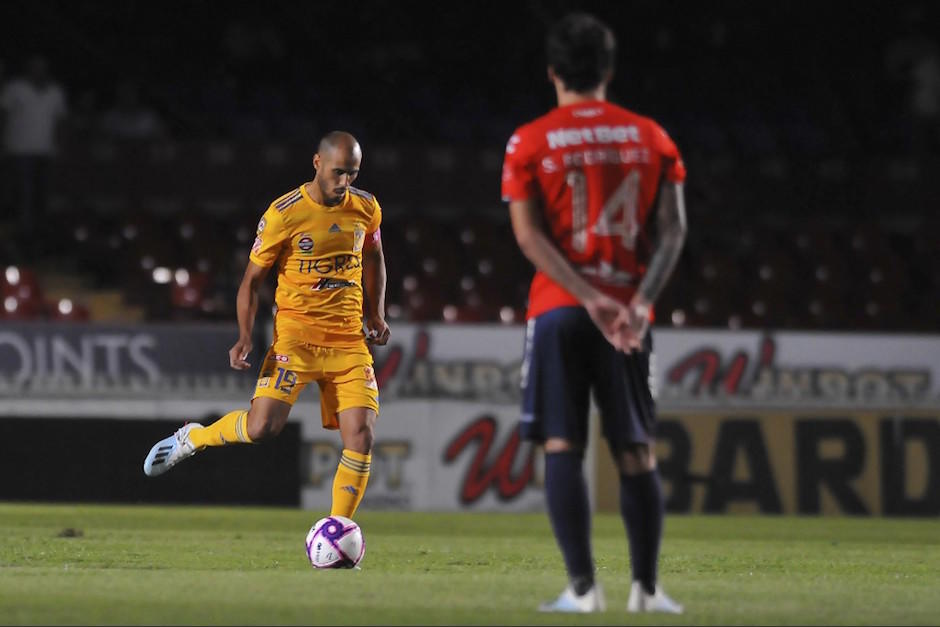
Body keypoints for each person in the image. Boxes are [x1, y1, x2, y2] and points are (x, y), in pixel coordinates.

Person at [501, 13, 687, 614]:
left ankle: (583, 592)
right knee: (636, 450)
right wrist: (632, 302)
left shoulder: (529, 140)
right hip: (628, 317)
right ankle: (648, 592)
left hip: (559, 308)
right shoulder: (651, 136)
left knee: (562, 445)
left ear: (553, 71)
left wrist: (586, 295)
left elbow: (529, 237)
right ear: (609, 70)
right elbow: (674, 230)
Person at [143, 131, 390, 523]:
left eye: (353, 174)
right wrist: (244, 335)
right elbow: (251, 282)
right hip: (297, 337)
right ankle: (195, 437)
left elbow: (375, 257)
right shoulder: (284, 214)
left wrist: (375, 313)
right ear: (317, 163)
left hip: (348, 340)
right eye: (338, 172)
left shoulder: (366, 207)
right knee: (262, 428)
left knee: (361, 435)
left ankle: (338, 528)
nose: (345, 183)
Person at [0, 55, 68, 242]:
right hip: (19, 148)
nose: (38, 70)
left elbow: (60, 120)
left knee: (43, 194)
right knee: (24, 192)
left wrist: (60, 145)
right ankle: (24, 233)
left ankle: (40, 232)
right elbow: (3, 115)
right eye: (35, 66)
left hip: (46, 150)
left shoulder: (55, 91)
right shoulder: (14, 88)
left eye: (42, 67)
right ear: (28, 68)